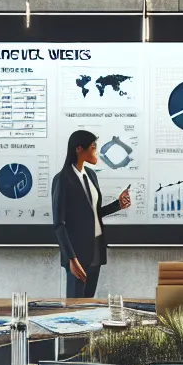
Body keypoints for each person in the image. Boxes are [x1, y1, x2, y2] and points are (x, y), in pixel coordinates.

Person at [50, 128, 130, 298]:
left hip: (96, 246)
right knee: (75, 303)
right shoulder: (62, 179)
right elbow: (59, 224)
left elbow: (93, 213)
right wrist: (71, 258)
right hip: (76, 253)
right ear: (79, 149)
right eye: (93, 147)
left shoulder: (91, 175)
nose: (96, 151)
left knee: (88, 302)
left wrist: (118, 205)